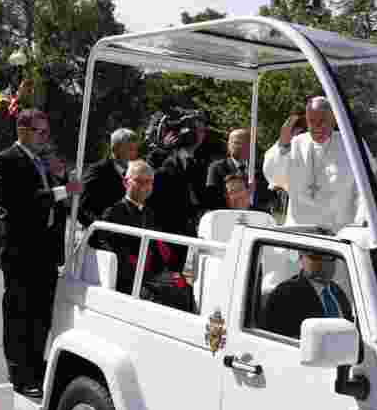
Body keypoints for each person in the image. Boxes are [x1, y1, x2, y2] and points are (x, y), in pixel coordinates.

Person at [0, 109, 83, 399]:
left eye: (46, 133)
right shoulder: (6, 160)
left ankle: (36, 366)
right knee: (20, 314)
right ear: (23, 130)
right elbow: (20, 203)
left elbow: (59, 204)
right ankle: (19, 373)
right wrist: (63, 190)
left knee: (42, 314)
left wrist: (64, 180)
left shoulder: (43, 163)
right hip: (21, 250)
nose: (45, 138)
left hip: (45, 250)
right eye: (40, 132)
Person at [263, 96, 365, 232]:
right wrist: (283, 145)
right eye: (312, 121)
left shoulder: (352, 145)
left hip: (338, 233)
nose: (317, 127)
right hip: (299, 231)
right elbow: (274, 176)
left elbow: (365, 189)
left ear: (334, 119)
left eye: (322, 121)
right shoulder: (295, 143)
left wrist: (361, 220)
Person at [150, 109, 220, 272]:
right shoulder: (166, 161)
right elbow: (147, 181)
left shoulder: (197, 164)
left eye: (203, 131)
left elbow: (202, 198)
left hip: (185, 233)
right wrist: (162, 149)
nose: (201, 135)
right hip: (162, 234)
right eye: (197, 130)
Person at [90, 160, 170, 296]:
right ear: (126, 182)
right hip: (125, 281)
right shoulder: (113, 213)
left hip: (147, 277)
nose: (145, 186)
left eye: (149, 181)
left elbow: (156, 249)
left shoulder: (149, 213)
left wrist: (161, 273)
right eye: (139, 181)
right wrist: (142, 280)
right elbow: (109, 252)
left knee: (182, 289)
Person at [261, 250, 353, 339]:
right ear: (301, 257)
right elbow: (278, 340)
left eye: (329, 256)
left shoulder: (337, 291)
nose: (323, 262)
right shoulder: (284, 294)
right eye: (315, 256)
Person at [79, 128, 139, 228]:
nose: (134, 154)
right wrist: (99, 234)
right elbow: (82, 208)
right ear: (116, 149)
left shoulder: (134, 173)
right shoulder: (98, 172)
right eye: (130, 149)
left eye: (135, 149)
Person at [206, 127, 274, 211]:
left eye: (243, 143)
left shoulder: (261, 169)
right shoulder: (217, 168)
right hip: (227, 216)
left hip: (256, 217)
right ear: (228, 145)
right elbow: (211, 198)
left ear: (251, 146)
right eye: (235, 142)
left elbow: (270, 196)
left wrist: (254, 190)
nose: (238, 146)